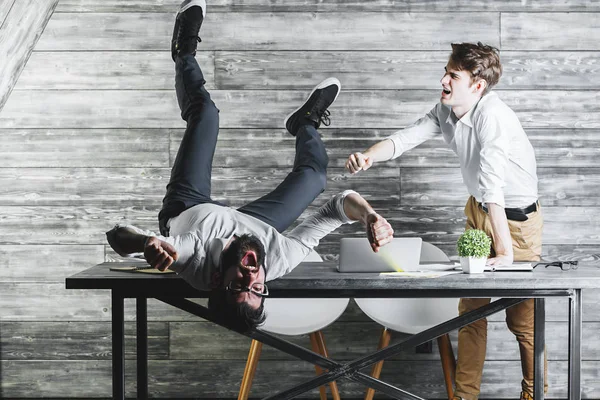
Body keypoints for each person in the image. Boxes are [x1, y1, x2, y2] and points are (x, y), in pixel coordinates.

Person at [106, 0, 394, 333]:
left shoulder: (193, 261)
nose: (250, 278)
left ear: (216, 279)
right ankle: (305, 123)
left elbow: (117, 236)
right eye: (257, 289)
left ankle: (183, 51)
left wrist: (145, 245)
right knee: (314, 178)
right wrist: (369, 215)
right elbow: (336, 209)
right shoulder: (276, 259)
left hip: (190, 207)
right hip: (253, 225)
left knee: (206, 116)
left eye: (237, 287)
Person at [345, 42, 545, 400]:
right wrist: (368, 156)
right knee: (470, 314)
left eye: (453, 75)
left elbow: (492, 185)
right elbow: (407, 137)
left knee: (523, 322)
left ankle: (535, 395)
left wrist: (505, 252)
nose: (443, 79)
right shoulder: (446, 109)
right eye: (446, 71)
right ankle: (464, 397)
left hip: (515, 221)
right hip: (479, 211)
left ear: (478, 85)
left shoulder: (492, 116)